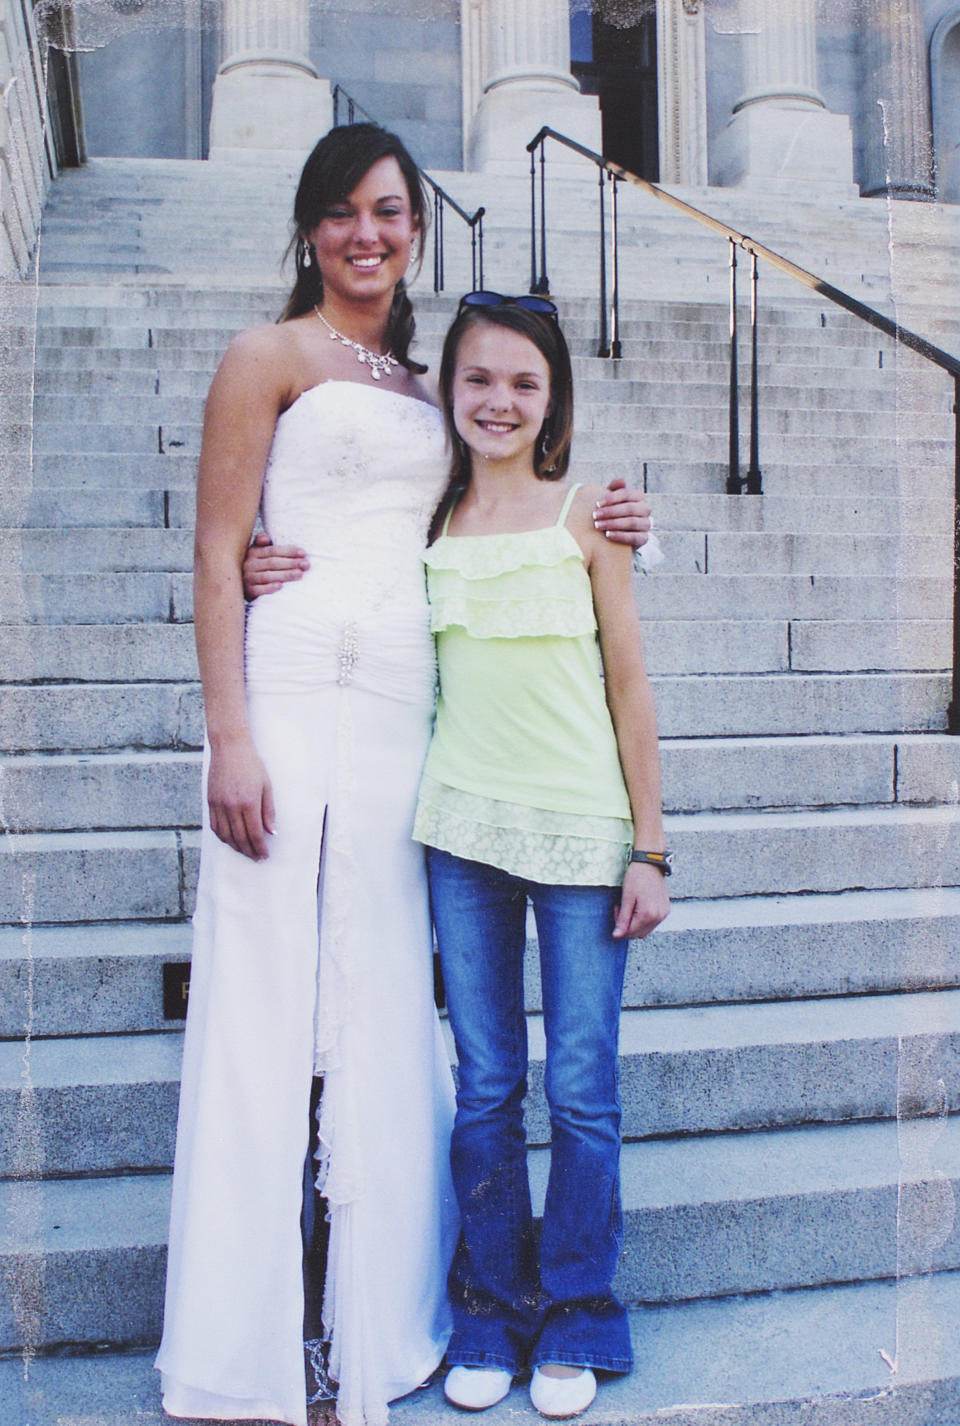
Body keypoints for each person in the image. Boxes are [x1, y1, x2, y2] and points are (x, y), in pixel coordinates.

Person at [156, 121, 654, 1426]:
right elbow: (218, 554)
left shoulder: (436, 384)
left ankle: (383, 1311)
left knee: (385, 1006)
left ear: (417, 231)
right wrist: (230, 734)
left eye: (387, 212)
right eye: (340, 212)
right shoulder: (265, 356)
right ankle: (254, 1332)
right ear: (311, 228)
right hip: (285, 686)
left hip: (405, 729)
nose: (365, 234)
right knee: (274, 993)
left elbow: (508, 486)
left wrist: (618, 515)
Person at [412, 294, 671, 1419]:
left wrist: (650, 847)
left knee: (579, 1088)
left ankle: (576, 1309)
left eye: (523, 382)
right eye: (477, 379)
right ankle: (490, 1308)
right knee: (484, 1086)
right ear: (448, 390)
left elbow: (628, 683)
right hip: (464, 833)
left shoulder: (588, 517)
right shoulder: (427, 521)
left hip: (581, 834)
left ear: (553, 396)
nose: (498, 401)